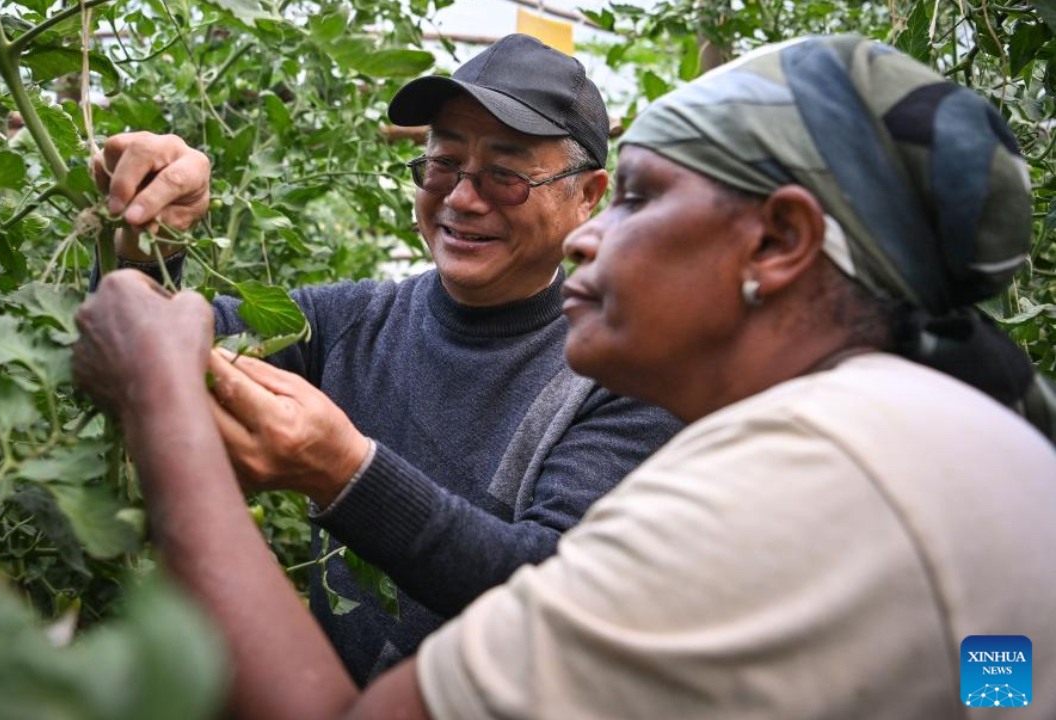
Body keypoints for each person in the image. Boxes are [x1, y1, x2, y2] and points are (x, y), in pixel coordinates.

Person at [73, 35, 1056, 719]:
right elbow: (989, 677)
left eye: (632, 198)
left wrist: (306, 457)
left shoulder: (800, 471)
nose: (593, 239)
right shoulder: (949, 440)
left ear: (781, 239)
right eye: (440, 165)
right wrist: (145, 238)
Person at [90, 33, 681, 684]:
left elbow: (556, 591)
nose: (460, 199)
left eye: (506, 177)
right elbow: (154, 350)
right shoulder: (351, 322)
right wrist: (150, 241)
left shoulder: (628, 377)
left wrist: (346, 473)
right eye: (442, 165)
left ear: (588, 195)